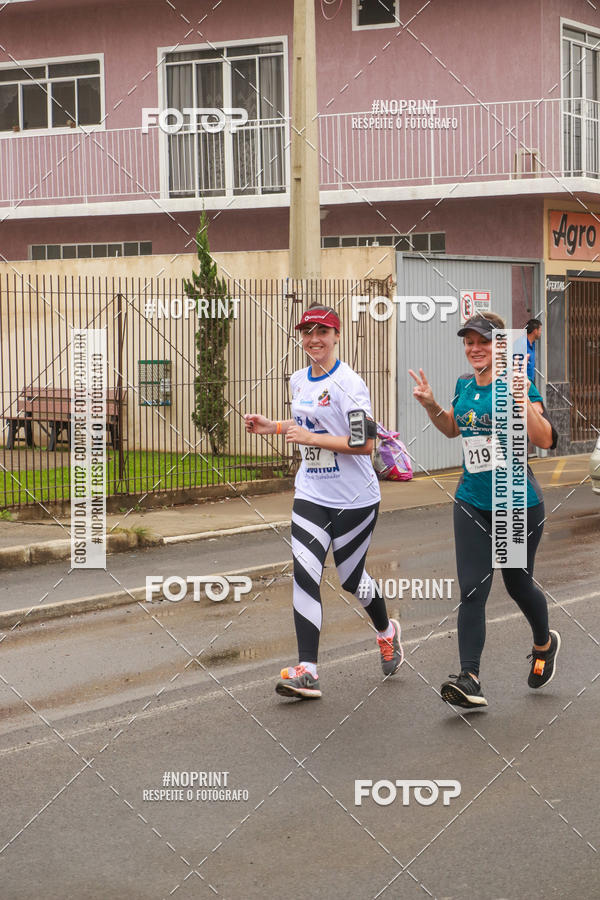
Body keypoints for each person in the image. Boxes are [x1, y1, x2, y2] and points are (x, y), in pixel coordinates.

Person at [244, 303, 403, 700]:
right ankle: (308, 670)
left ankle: (386, 631)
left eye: (322, 332)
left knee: (351, 580)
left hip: (354, 499)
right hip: (312, 493)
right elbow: (307, 424)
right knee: (304, 572)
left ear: (336, 336)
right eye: (307, 332)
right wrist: (274, 426)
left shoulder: (351, 385)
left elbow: (364, 444)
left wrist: (311, 440)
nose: (314, 339)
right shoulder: (299, 379)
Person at [409, 312, 560, 710]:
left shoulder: (518, 383)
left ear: (500, 346)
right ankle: (470, 678)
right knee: (473, 589)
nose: (474, 349)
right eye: (469, 342)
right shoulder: (463, 384)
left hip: (515, 503)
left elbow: (547, 438)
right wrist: (431, 405)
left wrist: (520, 401)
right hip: (472, 499)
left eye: (483, 341)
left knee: (516, 584)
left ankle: (544, 643)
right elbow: (451, 428)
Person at [525, 318, 542, 385]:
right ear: (535, 331)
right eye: (540, 330)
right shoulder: (521, 344)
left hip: (531, 382)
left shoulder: (533, 343)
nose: (540, 333)